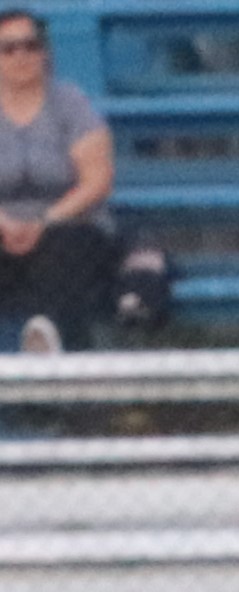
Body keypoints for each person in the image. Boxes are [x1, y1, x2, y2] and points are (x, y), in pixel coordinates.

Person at [0, 9, 116, 355]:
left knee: (67, 249)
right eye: (8, 48)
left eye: (30, 45)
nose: (21, 55)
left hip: (65, 223)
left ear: (45, 51)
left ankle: (50, 349)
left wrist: (45, 221)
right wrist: (5, 224)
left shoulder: (71, 104)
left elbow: (96, 180)